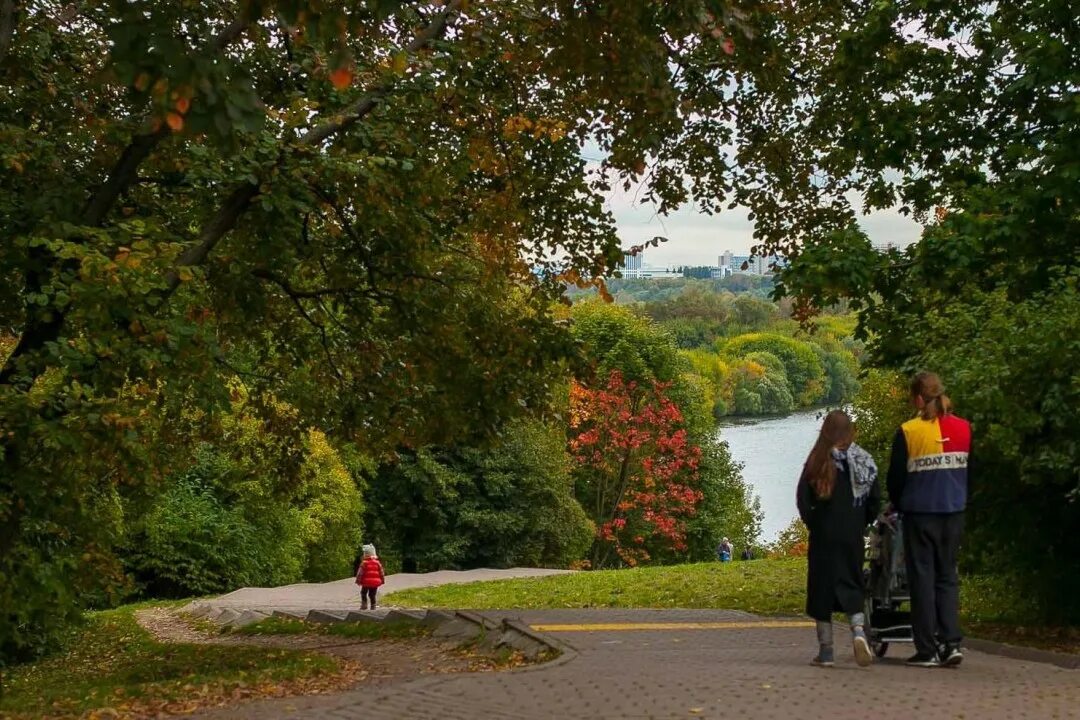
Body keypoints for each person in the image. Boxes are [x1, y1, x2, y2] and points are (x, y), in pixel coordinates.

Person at [887, 372, 971, 668]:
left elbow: (895, 479)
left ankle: (927, 649)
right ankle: (952, 642)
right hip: (954, 512)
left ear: (919, 399)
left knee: (922, 579)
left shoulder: (909, 431)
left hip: (920, 514)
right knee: (947, 576)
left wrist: (897, 505)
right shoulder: (964, 428)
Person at [797, 409, 881, 668]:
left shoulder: (817, 460)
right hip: (851, 532)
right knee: (852, 580)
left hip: (823, 533)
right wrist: (862, 522)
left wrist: (814, 523)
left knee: (821, 588)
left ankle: (826, 651)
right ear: (850, 432)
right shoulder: (863, 461)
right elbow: (875, 499)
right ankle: (857, 632)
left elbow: (803, 500)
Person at [355, 543, 385, 610]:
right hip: (375, 583)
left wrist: (358, 581)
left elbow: (360, 573)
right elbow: (381, 573)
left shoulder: (364, 563)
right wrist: (382, 580)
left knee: (363, 593)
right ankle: (373, 606)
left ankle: (364, 605)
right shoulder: (378, 563)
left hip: (366, 582)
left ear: (365, 554)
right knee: (372, 595)